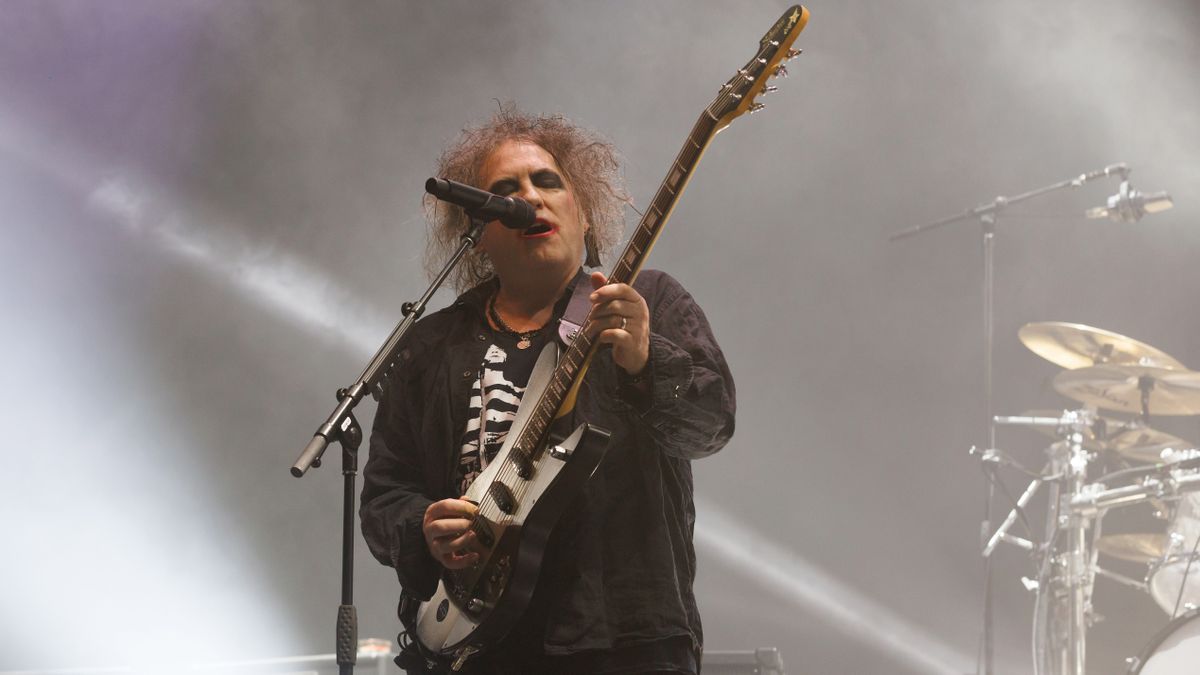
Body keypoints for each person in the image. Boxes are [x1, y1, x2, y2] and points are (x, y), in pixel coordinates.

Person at [360, 108, 735, 675]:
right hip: (476, 648)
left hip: (621, 640)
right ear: (479, 232)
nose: (528, 198)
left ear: (584, 215)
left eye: (547, 181)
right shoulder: (430, 346)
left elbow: (712, 425)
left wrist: (642, 360)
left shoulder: (646, 302)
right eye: (504, 191)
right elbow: (385, 496)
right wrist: (424, 528)